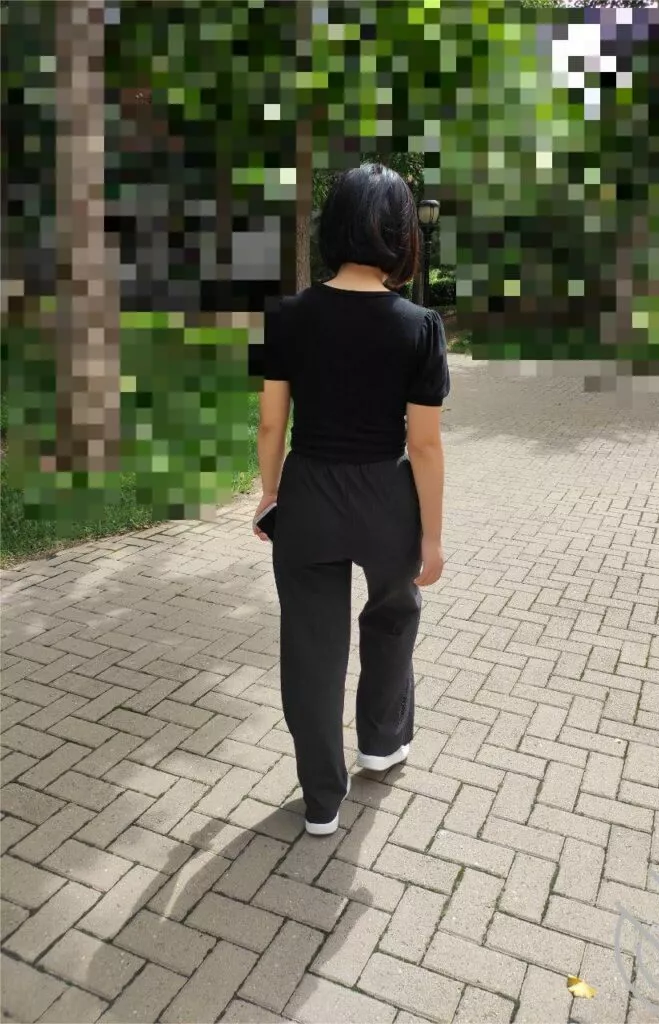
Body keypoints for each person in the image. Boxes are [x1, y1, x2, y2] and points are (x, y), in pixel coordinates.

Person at [252, 163, 450, 836]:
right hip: (386, 495)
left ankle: (320, 801)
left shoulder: (285, 317)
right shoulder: (420, 325)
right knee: (393, 615)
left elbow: (271, 424)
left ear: (332, 225)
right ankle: (381, 743)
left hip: (309, 491)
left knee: (311, 647)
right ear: (401, 234)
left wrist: (270, 495)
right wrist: (432, 537)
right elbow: (424, 445)